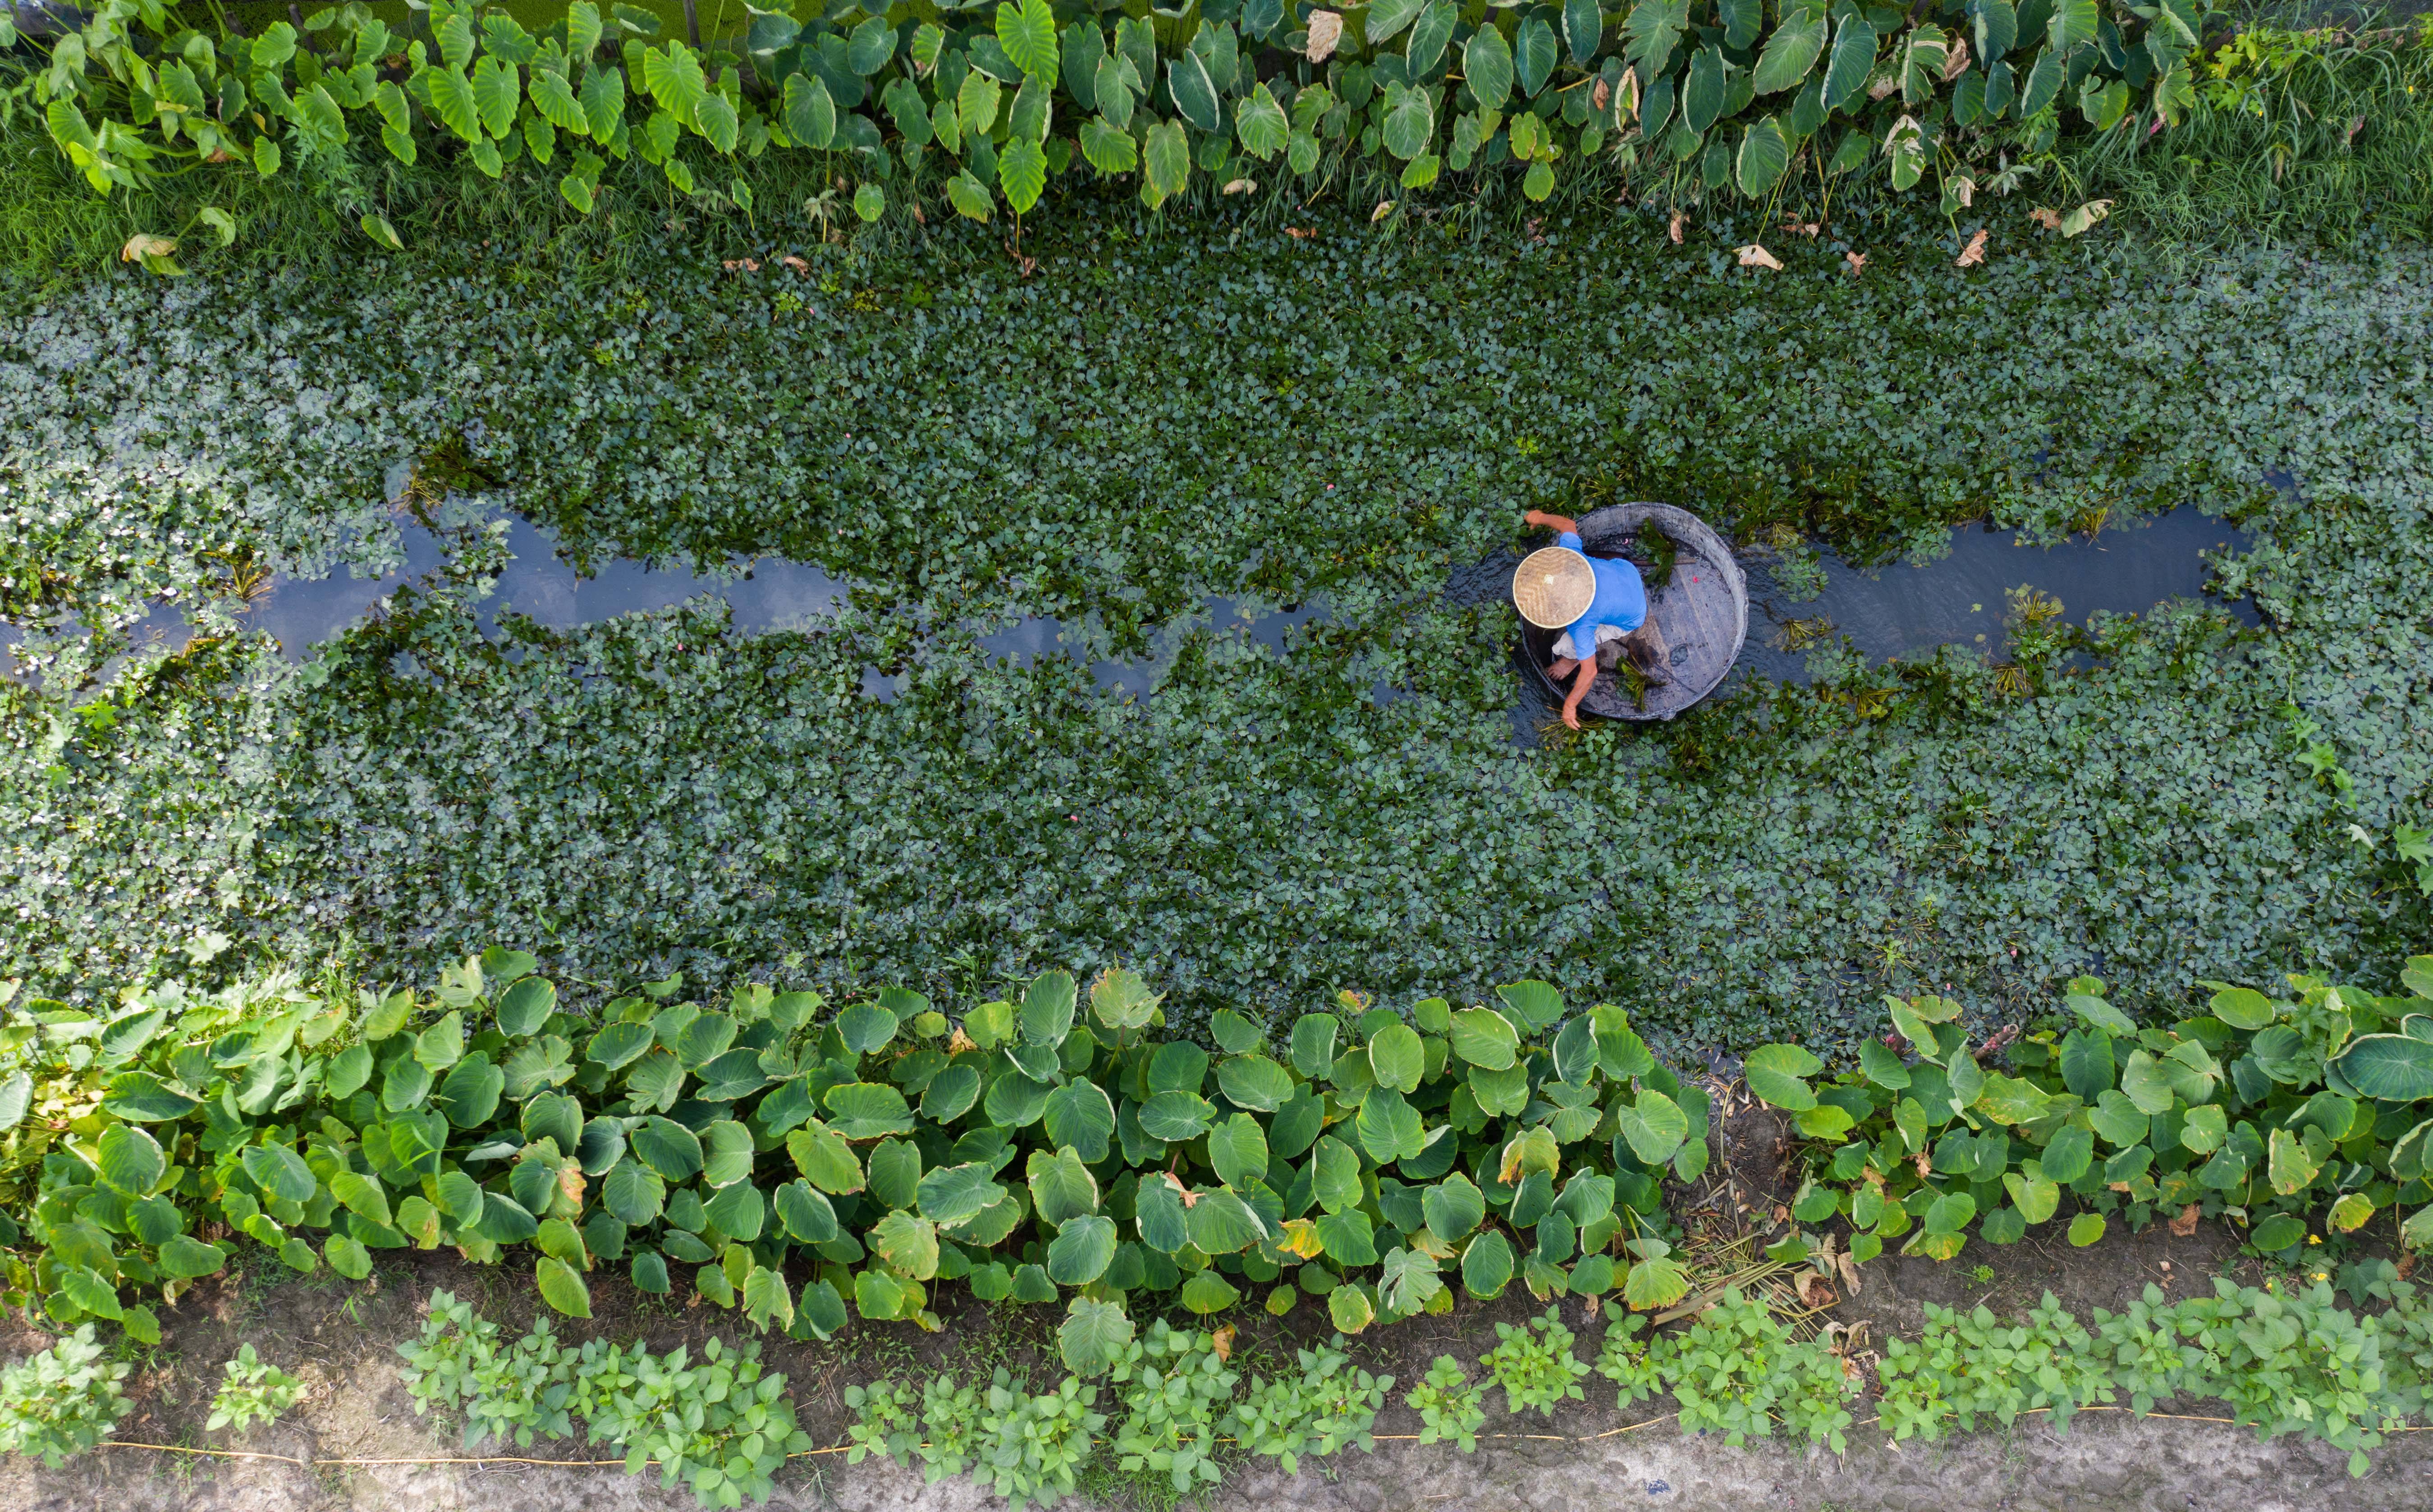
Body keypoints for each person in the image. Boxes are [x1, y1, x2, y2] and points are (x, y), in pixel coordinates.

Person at [1512, 509, 1668, 728]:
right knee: (1599, 564)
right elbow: (1568, 524)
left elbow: (1590, 671)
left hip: (1633, 616)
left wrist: (1570, 704)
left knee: (1566, 645)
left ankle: (1570, 660)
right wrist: (1541, 518)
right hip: (1627, 573)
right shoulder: (1572, 560)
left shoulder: (1581, 624)